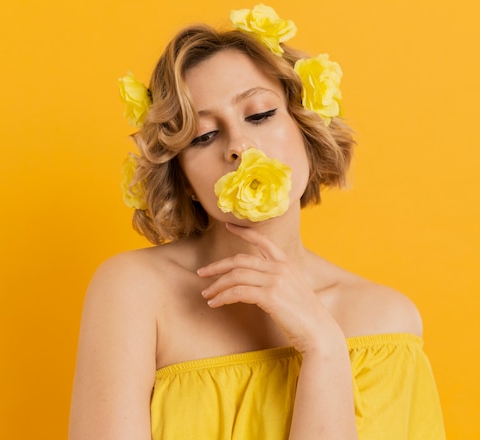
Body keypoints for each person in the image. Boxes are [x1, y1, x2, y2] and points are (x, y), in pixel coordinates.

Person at [69, 4, 445, 439]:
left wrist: (323, 345)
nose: (238, 145)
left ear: (306, 128)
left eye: (260, 114)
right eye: (204, 136)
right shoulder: (132, 292)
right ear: (185, 178)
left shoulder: (386, 322)